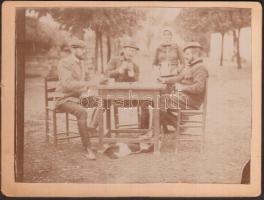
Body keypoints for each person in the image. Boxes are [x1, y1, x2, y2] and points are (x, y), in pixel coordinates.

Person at [55, 38, 106, 160]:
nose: (84, 52)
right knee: (81, 112)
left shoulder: (82, 63)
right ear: (73, 50)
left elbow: (90, 79)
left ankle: (92, 128)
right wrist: (88, 83)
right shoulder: (64, 63)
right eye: (82, 49)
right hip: (63, 99)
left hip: (78, 98)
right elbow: (67, 84)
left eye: (85, 49)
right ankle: (88, 148)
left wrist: (101, 79)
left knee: (104, 102)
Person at [158, 42, 209, 132]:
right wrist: (164, 80)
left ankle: (153, 133)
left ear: (196, 54)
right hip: (184, 98)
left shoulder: (201, 68)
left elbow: (199, 88)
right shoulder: (190, 66)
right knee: (158, 97)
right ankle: (176, 124)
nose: (185, 56)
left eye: (188, 54)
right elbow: (179, 78)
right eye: (185, 54)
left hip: (192, 102)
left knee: (162, 100)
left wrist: (181, 88)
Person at [105, 39, 150, 130]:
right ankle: (93, 129)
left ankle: (143, 133)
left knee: (145, 103)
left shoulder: (135, 66)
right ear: (124, 50)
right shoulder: (115, 60)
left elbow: (137, 82)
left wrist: (132, 73)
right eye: (129, 50)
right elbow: (106, 74)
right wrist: (119, 70)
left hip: (131, 98)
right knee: (103, 102)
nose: (131, 53)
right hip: (116, 98)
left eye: (133, 51)